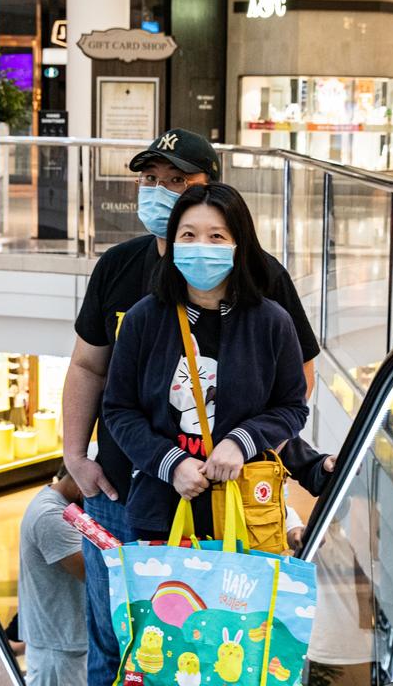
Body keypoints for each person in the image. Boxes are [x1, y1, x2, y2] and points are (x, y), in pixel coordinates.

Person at [62, 127, 322, 684]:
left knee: (233, 645)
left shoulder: (266, 295)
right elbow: (98, 378)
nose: (160, 191)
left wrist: (249, 445)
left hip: (235, 502)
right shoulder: (134, 294)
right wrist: (76, 456)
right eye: (152, 180)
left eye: (177, 180)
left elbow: (293, 392)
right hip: (127, 491)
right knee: (129, 643)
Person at [101, 182, 310, 538]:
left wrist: (242, 441)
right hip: (160, 515)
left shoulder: (271, 322)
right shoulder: (144, 319)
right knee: (169, 597)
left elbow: (292, 406)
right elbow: (119, 409)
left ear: (238, 245)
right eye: (188, 235)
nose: (201, 247)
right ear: (173, 243)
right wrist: (171, 464)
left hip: (245, 513)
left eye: (216, 236)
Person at [18, 466, 87, 685]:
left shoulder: (62, 505)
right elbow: (94, 575)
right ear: (79, 481)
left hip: (65, 642)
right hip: (59, 647)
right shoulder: (51, 516)